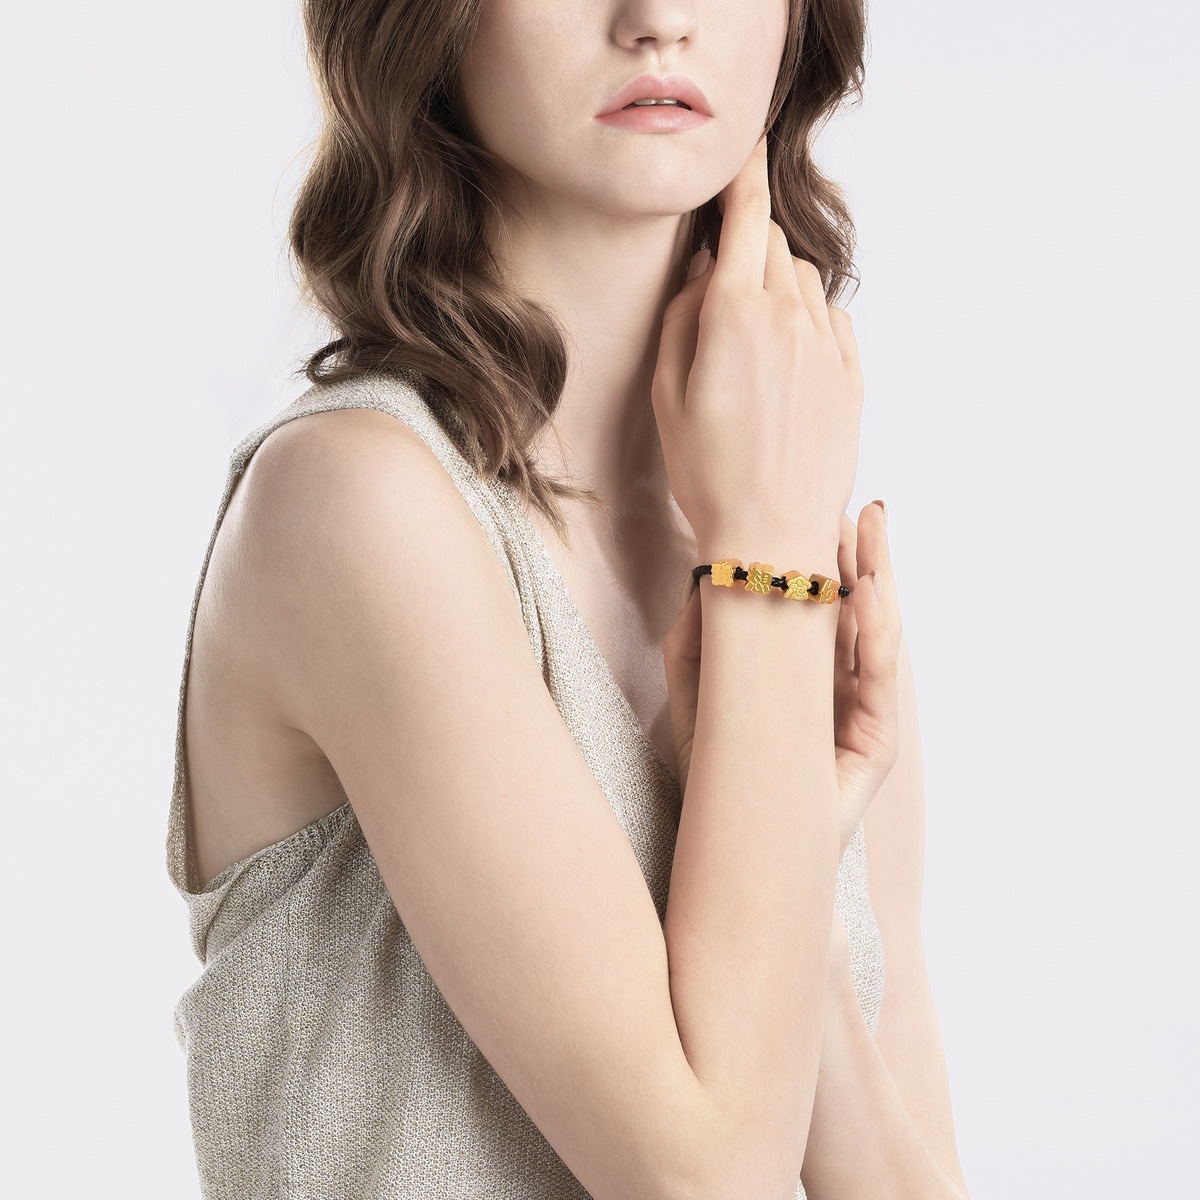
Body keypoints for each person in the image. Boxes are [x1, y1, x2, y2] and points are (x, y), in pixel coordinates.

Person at [165, 1, 972, 1197]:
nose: (659, 19)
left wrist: (790, 892)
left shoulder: (787, 536)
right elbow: (709, 1182)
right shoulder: (356, 503)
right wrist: (764, 562)